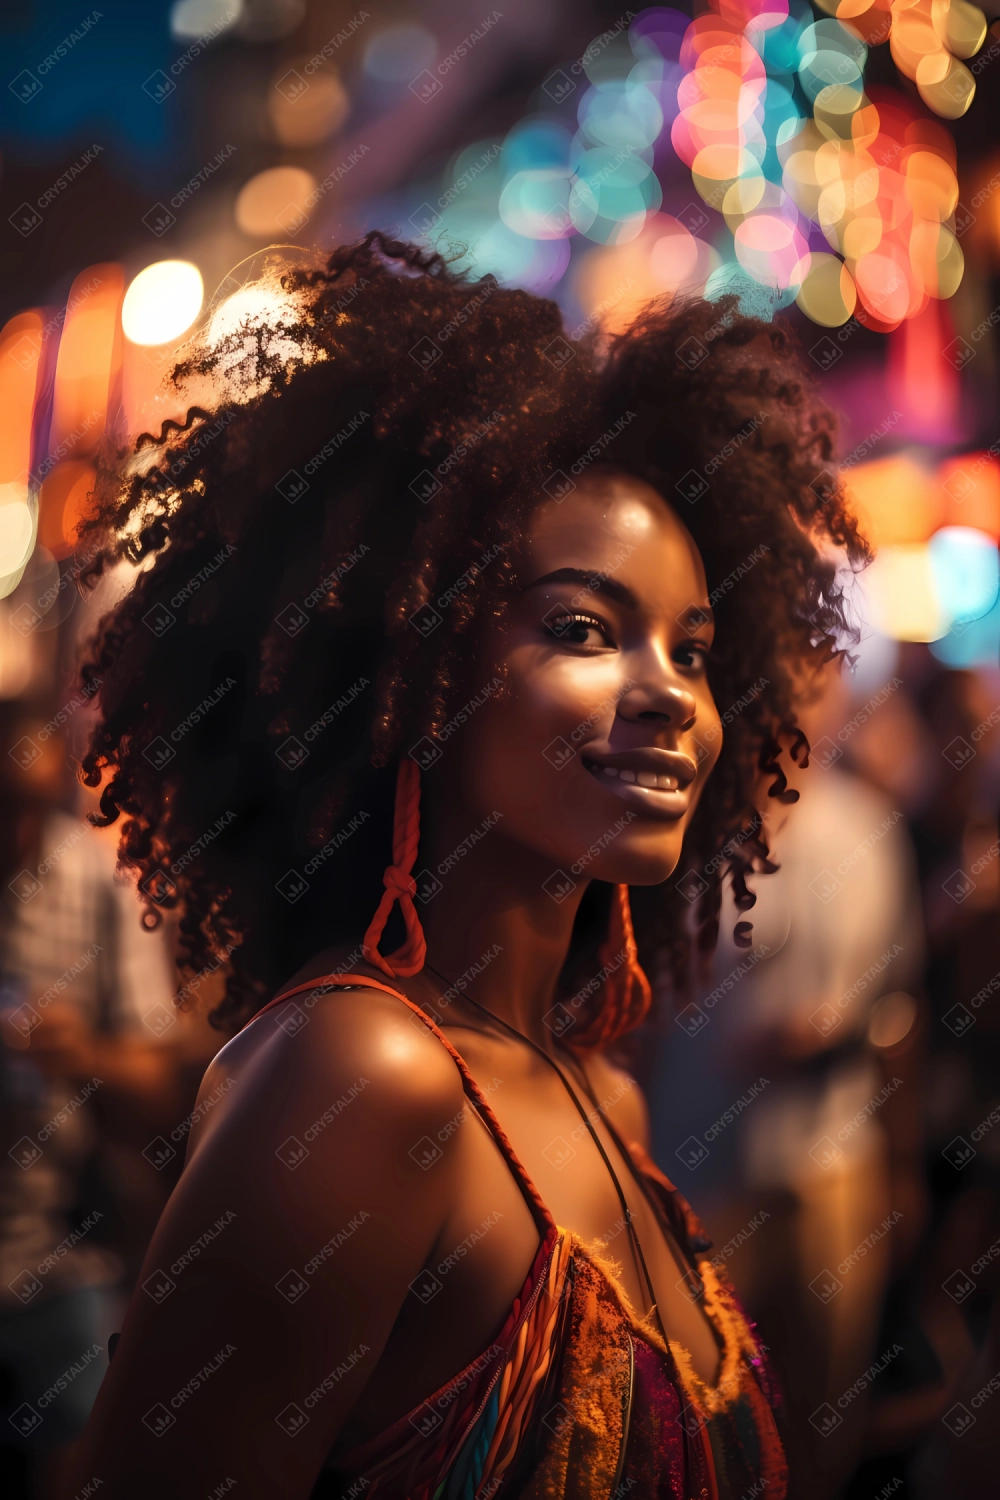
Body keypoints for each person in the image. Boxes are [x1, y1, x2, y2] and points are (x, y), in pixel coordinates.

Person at [64, 232, 867, 1499]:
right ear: (410, 670)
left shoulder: (610, 1101)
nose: (668, 695)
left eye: (696, 650)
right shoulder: (365, 1079)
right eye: (582, 630)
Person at [0, 708, 182, 1500]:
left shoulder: (102, 886)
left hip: (55, 1250)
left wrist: (79, 1054)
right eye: (3, 808)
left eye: (36, 810)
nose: (18, 834)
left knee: (86, 1451)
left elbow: (164, 1090)